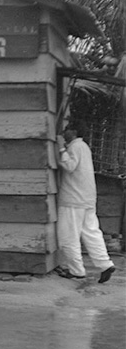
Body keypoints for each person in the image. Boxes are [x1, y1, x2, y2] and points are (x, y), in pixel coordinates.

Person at [55, 120, 116, 283]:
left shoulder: (74, 147)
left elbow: (70, 165)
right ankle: (105, 264)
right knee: (92, 232)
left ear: (74, 132)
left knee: (68, 236)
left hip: (73, 199)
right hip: (87, 198)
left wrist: (61, 147)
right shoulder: (84, 148)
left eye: (67, 130)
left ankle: (76, 271)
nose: (64, 133)